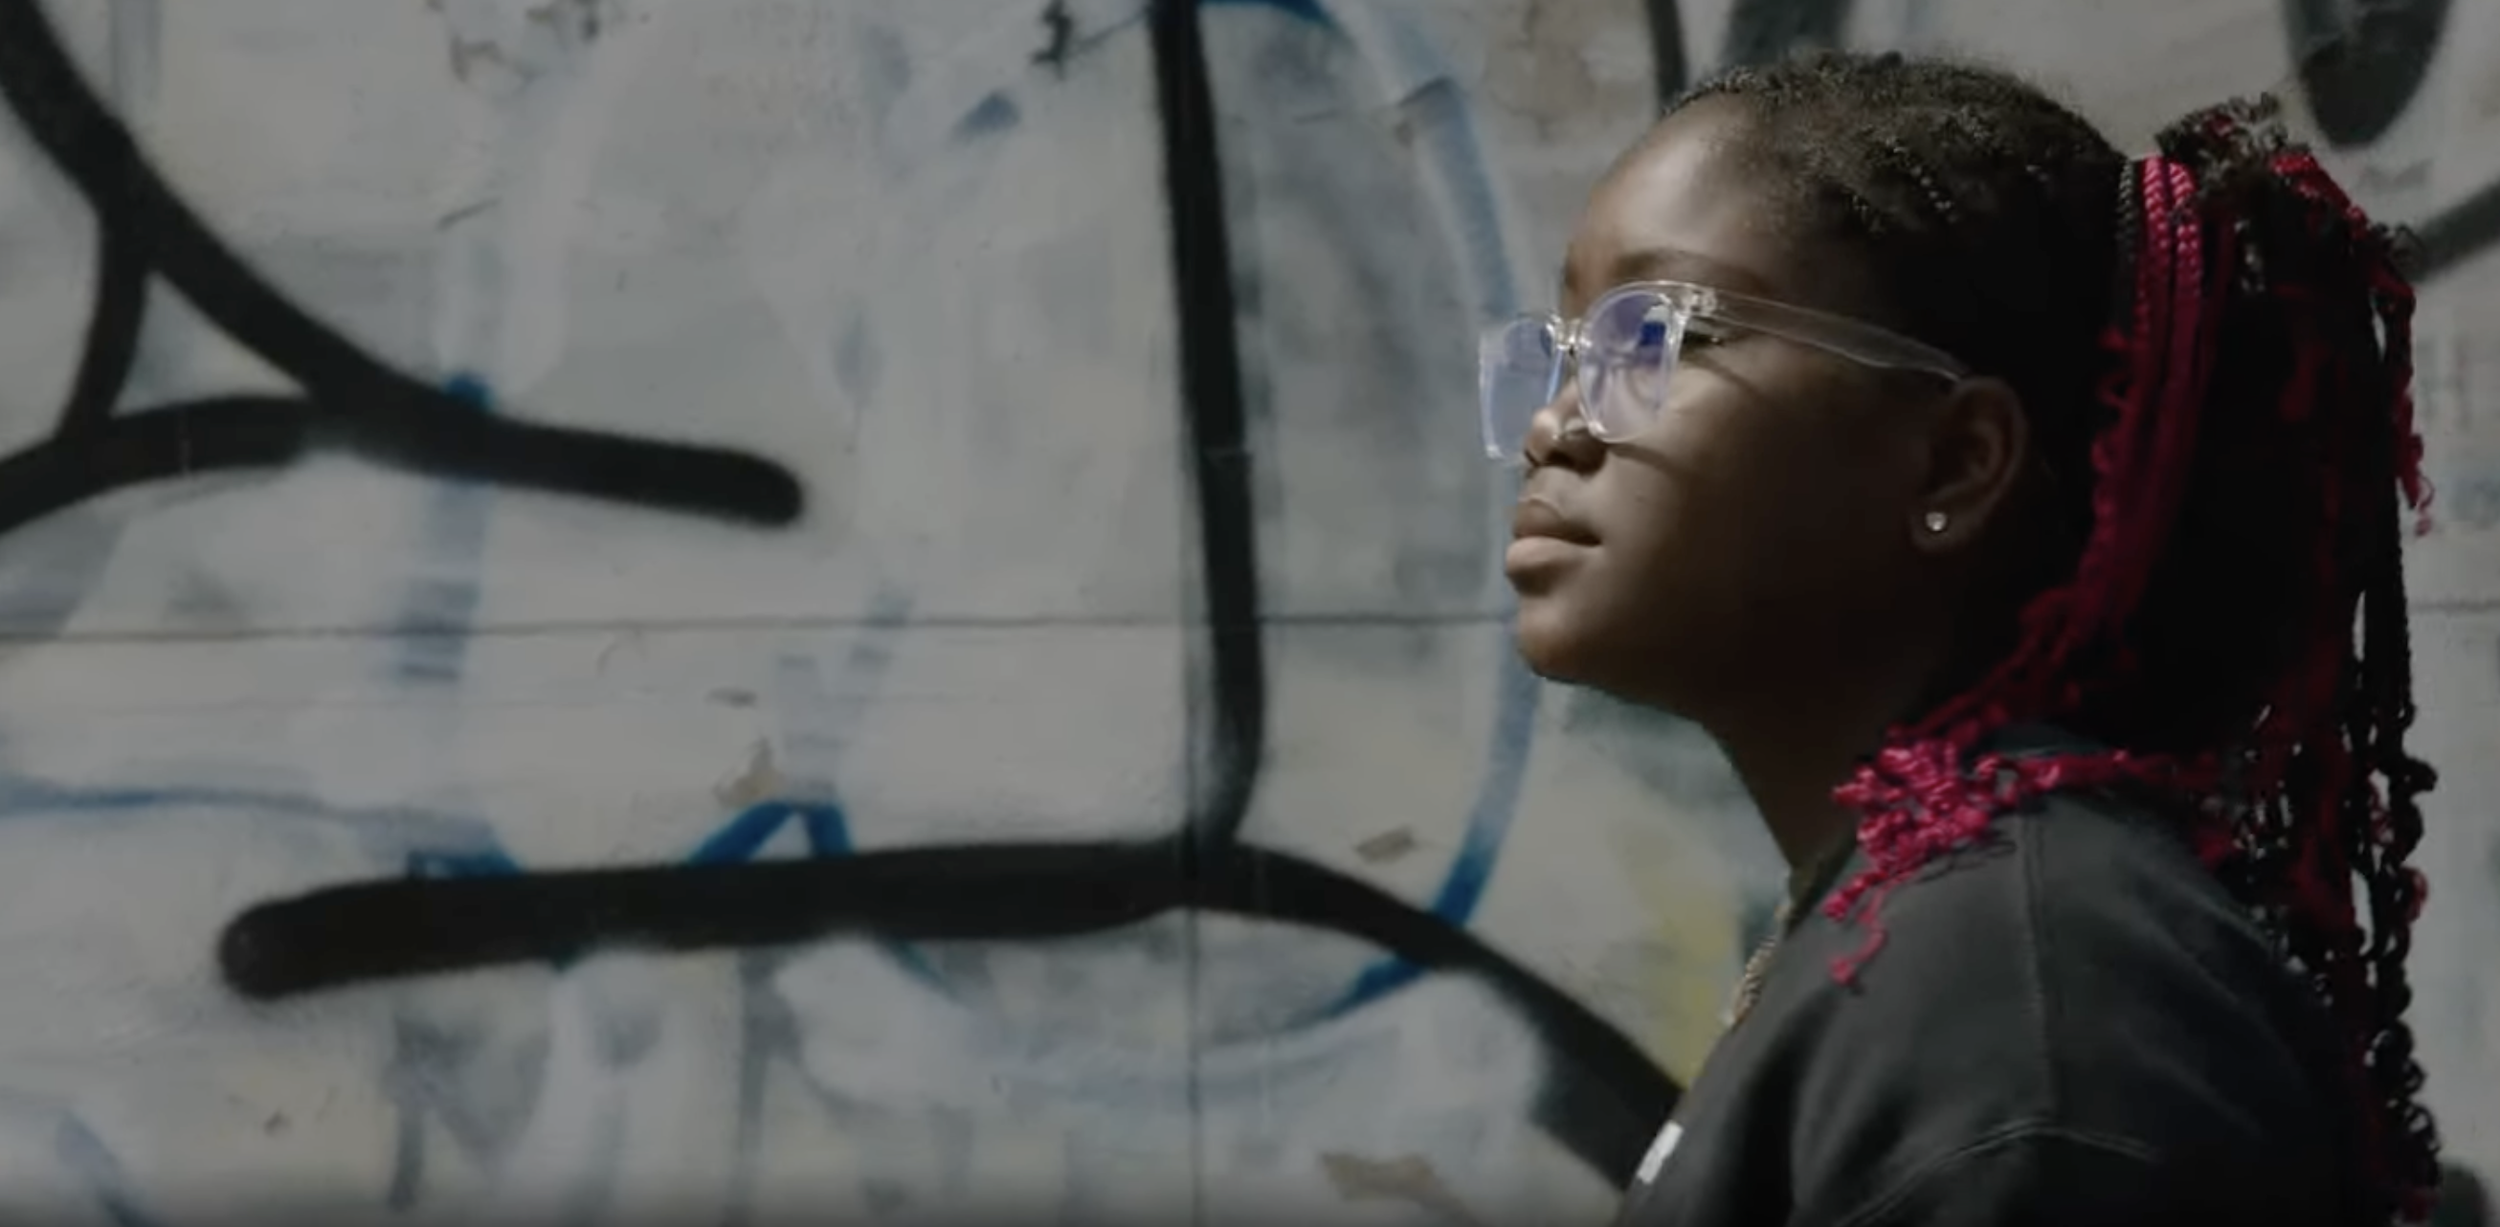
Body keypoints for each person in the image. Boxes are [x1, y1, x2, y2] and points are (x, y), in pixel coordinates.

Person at [1482, 49, 2445, 1226]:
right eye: (1567, 352)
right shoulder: (1958, 934)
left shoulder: (2027, 1004)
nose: (1552, 427)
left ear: (1956, 459)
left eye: (1657, 338)